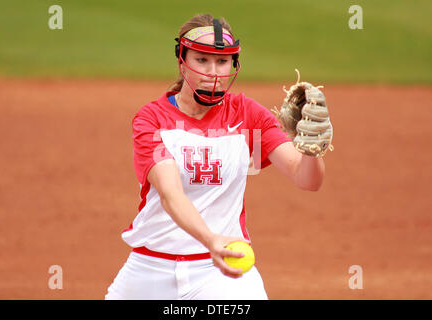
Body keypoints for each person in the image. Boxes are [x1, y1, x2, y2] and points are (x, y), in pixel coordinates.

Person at [105, 13, 326, 300]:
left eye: (222, 62)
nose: (214, 72)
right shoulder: (153, 118)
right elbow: (171, 194)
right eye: (202, 60)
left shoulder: (247, 115)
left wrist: (313, 148)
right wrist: (211, 240)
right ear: (182, 60)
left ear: (233, 64)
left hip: (222, 272)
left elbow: (306, 178)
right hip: (150, 270)